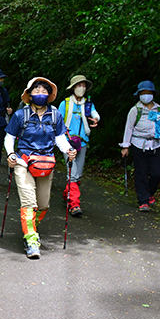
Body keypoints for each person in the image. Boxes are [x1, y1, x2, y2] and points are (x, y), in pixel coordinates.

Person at [5, 77, 76, 259]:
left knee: (43, 205)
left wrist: (68, 150)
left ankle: (30, 226)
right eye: (36, 91)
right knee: (29, 203)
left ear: (49, 94)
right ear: (29, 95)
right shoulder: (21, 115)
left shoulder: (55, 115)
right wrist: (11, 154)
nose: (40, 94)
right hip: (24, 161)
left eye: (44, 91)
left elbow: (59, 138)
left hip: (46, 162)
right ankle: (31, 240)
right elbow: (10, 137)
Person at [58, 75, 100, 217]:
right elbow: (58, 122)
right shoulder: (65, 103)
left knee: (77, 175)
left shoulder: (88, 104)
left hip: (82, 143)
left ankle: (67, 195)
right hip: (67, 143)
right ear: (73, 87)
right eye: (78, 85)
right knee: (73, 174)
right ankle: (74, 205)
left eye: (83, 85)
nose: (81, 88)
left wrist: (95, 119)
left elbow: (95, 114)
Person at [120, 80, 160, 212]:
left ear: (153, 94)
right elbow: (128, 128)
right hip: (138, 144)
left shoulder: (158, 109)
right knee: (141, 173)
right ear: (139, 94)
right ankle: (143, 201)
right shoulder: (135, 110)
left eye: (148, 92)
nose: (146, 95)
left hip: (155, 144)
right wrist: (125, 146)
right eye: (143, 93)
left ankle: (149, 194)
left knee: (157, 173)